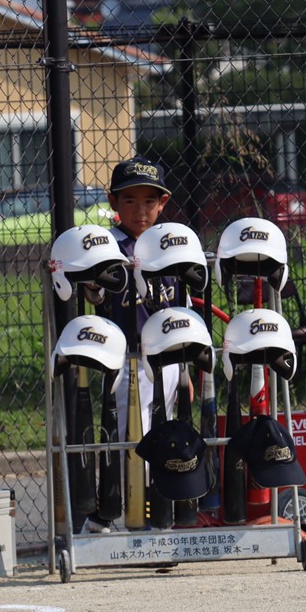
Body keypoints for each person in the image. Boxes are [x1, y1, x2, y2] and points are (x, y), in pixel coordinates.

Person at [80, 156, 184, 533]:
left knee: (168, 433)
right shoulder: (107, 245)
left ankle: (159, 513)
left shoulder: (173, 245)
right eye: (129, 201)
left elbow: (183, 305)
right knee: (131, 437)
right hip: (126, 360)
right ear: (113, 202)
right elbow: (92, 293)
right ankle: (115, 512)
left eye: (148, 202)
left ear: (162, 203)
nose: (140, 211)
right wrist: (91, 280)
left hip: (169, 358)